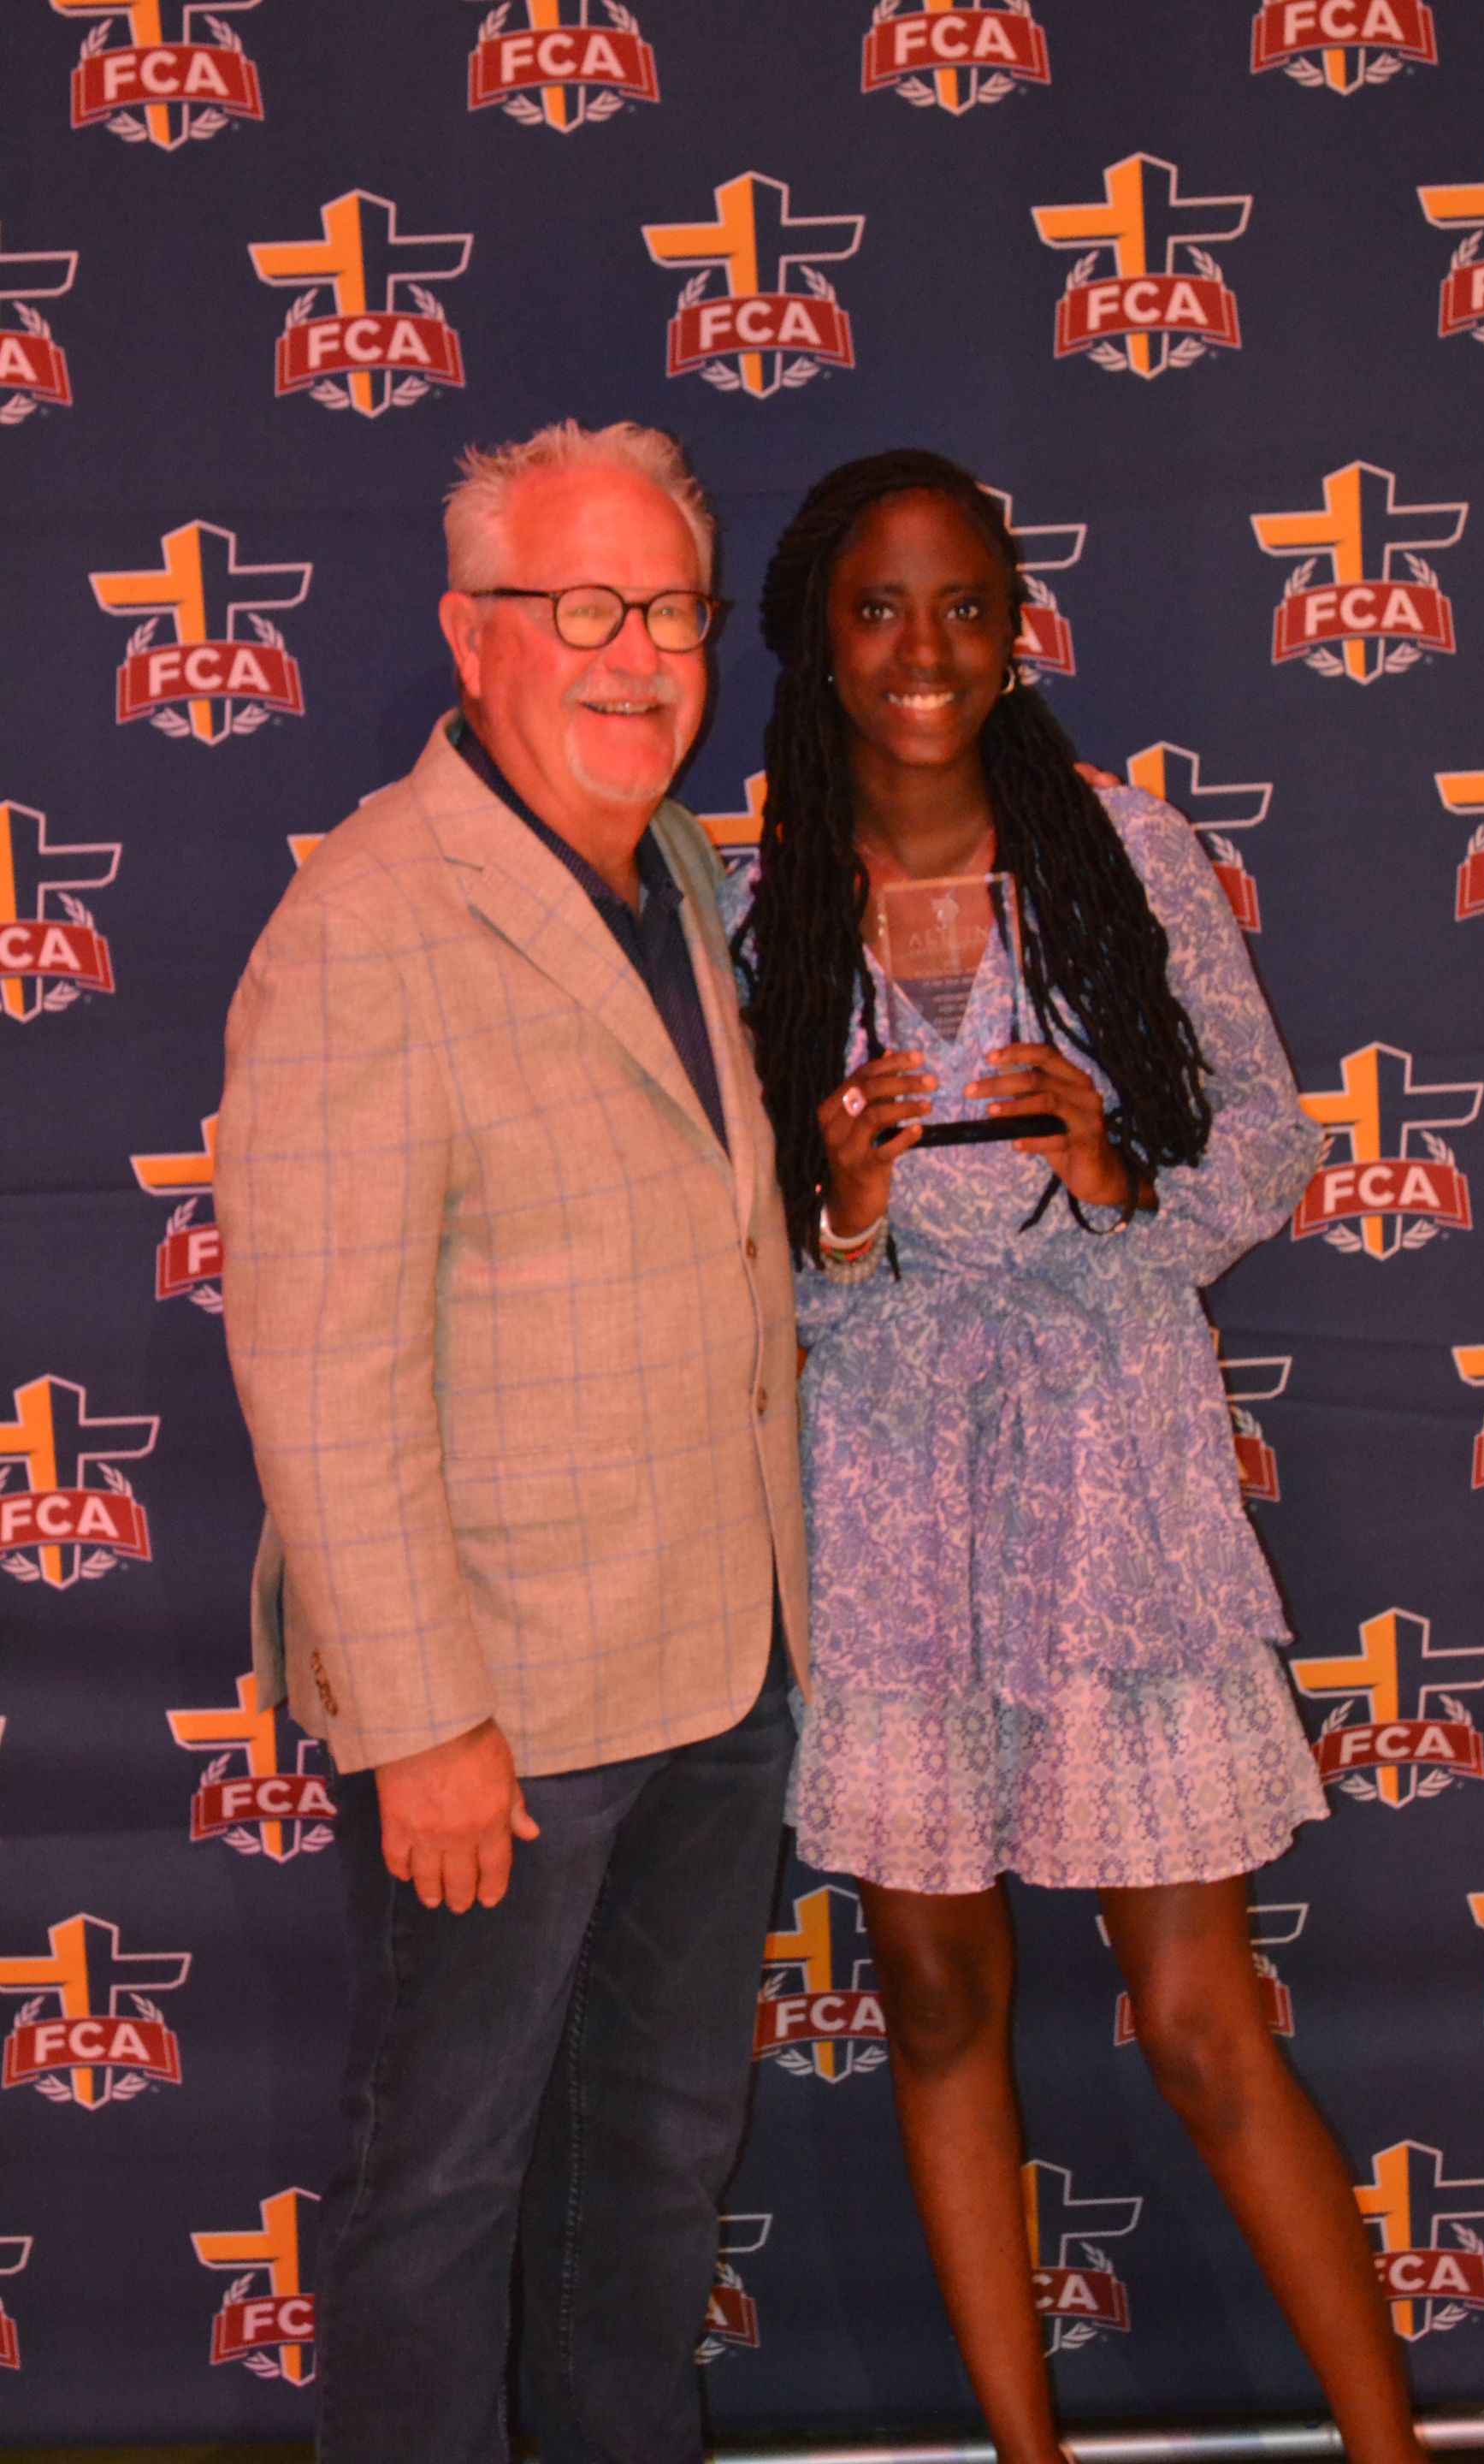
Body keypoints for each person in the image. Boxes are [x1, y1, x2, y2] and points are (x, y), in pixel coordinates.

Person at [727, 449, 1422, 2464]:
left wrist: (1122, 1181)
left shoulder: (1129, 846)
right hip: (885, 1499)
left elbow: (1269, 1142)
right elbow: (736, 1273)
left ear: (1018, 628)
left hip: (1118, 1475)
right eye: (878, 606)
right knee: (940, 2005)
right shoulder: (759, 899)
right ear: (816, 638)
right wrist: (843, 1216)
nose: (924, 648)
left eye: (965, 604)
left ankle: (1392, 2453)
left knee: (1202, 2026)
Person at [215, 420, 806, 2464]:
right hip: (501, 1710)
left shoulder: (677, 873)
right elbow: (324, 1365)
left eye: (673, 612)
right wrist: (426, 1722)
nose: (639, 655)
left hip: (715, 1662)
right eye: (584, 609)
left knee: (655, 2163)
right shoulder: (369, 926)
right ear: (473, 638)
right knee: (446, 2188)